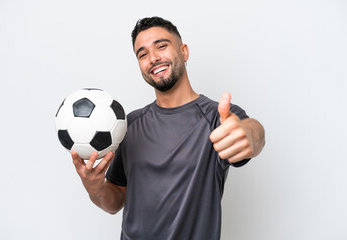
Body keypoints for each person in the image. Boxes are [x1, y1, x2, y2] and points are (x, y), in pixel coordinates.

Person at [72, 16, 265, 240]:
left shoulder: (218, 118)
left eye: (161, 46)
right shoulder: (129, 124)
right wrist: (95, 189)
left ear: (184, 52)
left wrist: (250, 134)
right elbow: (115, 201)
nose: (153, 58)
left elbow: (253, 133)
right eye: (142, 54)